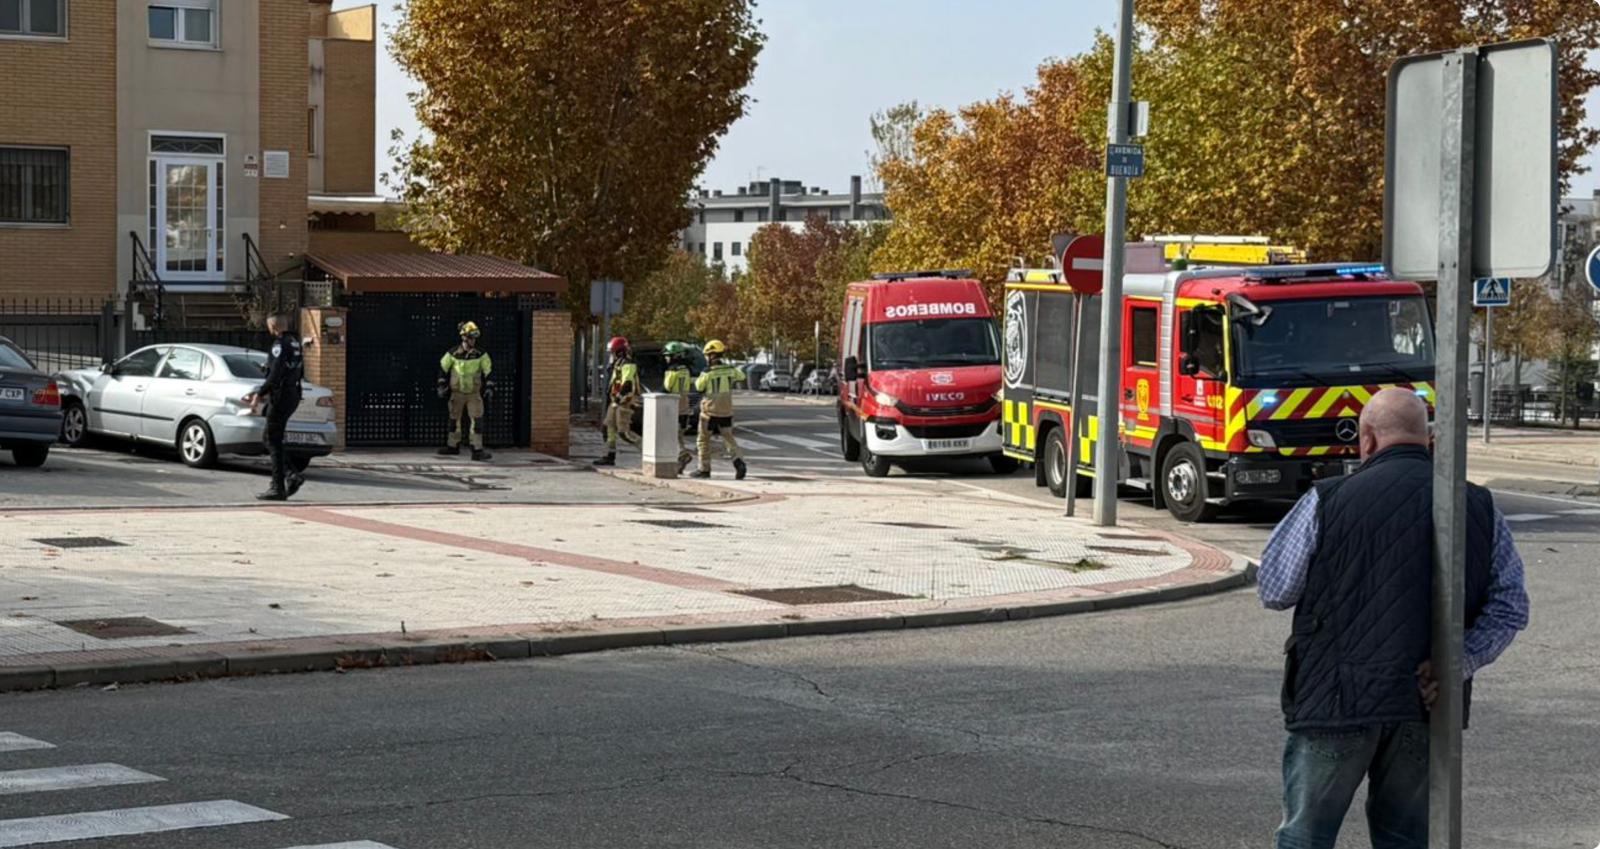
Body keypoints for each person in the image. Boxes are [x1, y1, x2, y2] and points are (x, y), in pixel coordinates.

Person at [1257, 387, 1529, 848]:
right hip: (1426, 704)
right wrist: (1455, 662)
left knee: (1305, 836)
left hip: (1334, 700)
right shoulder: (1479, 506)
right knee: (1405, 836)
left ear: (1366, 439)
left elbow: (1275, 590)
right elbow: (1510, 606)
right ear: (1429, 440)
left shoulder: (1328, 499)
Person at [247, 313, 305, 501]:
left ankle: (279, 486)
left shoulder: (279, 345)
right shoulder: (295, 342)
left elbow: (276, 372)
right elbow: (297, 369)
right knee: (274, 439)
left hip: (281, 395)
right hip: (293, 393)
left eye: (269, 326)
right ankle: (290, 476)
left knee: (271, 439)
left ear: (273, 326)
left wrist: (260, 393)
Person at [438, 321, 494, 462]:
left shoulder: (481, 354)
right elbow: (442, 369)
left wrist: (489, 388)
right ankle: (452, 446)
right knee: (453, 420)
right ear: (464, 337)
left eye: (474, 338)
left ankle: (477, 450)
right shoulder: (452, 353)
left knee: (477, 421)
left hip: (473, 394)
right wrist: (441, 386)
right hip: (456, 393)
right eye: (471, 337)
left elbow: (489, 371)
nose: (473, 341)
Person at [691, 340, 746, 480]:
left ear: (711, 355)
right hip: (726, 411)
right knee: (729, 439)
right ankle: (738, 462)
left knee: (703, 440)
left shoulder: (707, 372)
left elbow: (698, 387)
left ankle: (704, 469)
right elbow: (742, 376)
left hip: (709, 412)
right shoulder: (730, 369)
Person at [593, 336, 640, 467]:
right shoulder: (617, 364)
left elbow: (627, 383)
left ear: (619, 351)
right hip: (615, 401)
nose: (611, 355)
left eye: (612, 352)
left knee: (623, 432)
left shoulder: (628, 364)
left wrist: (619, 397)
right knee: (608, 428)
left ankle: (648, 451)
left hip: (625, 401)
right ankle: (609, 456)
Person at [661, 341, 696, 475]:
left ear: (674, 356)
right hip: (684, 403)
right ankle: (679, 462)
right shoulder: (686, 369)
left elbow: (667, 388)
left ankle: (682, 454)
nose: (666, 358)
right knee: (679, 433)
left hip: (672, 403)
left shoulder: (672, 370)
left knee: (671, 433)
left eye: (668, 355)